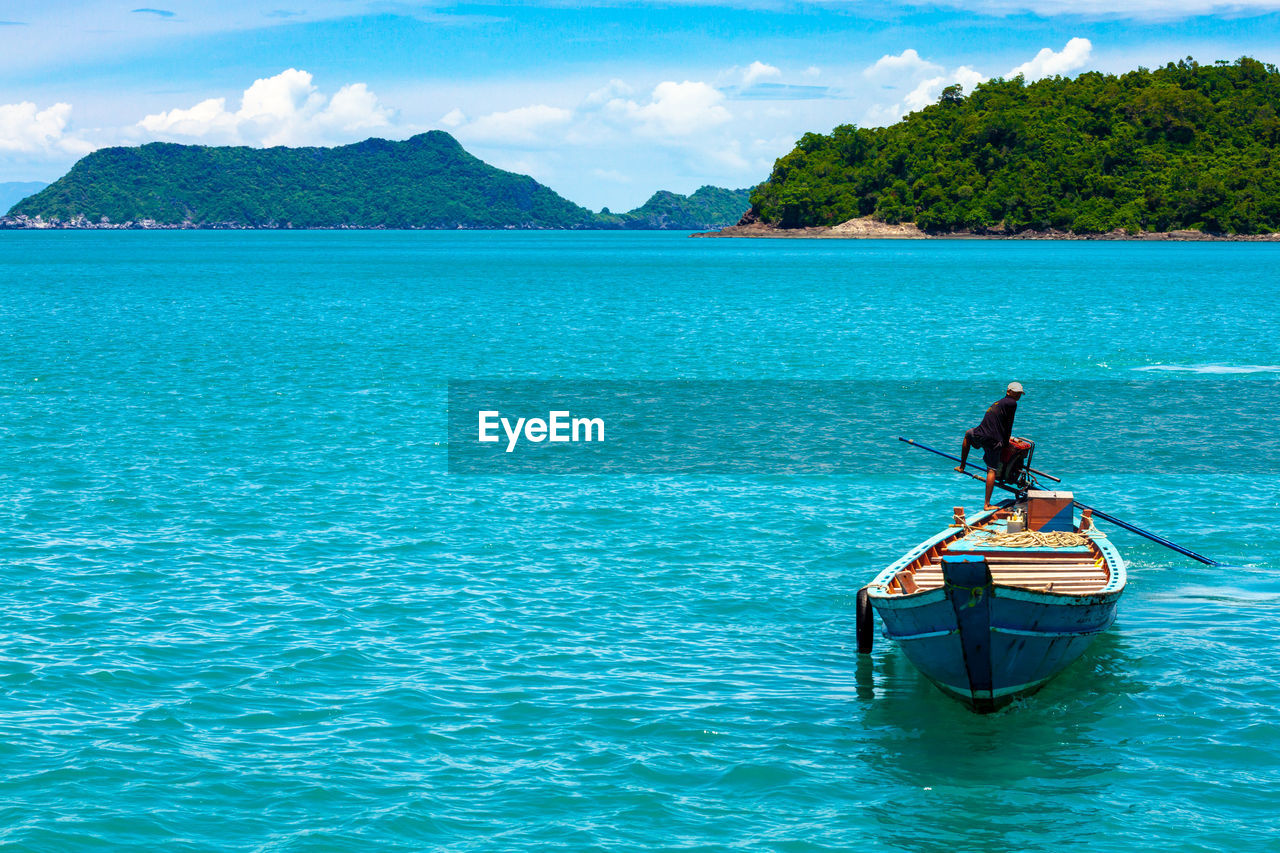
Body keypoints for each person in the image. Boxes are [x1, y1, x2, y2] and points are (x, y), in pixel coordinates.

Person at [955, 382, 1025, 510]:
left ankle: (962, 466)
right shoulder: (1012, 403)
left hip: (979, 433)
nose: (1018, 396)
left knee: (968, 434)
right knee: (992, 470)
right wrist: (1005, 443)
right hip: (993, 439)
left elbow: (998, 423)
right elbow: (1009, 424)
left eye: (1019, 393)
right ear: (1009, 391)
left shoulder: (998, 402)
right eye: (1017, 393)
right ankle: (987, 504)